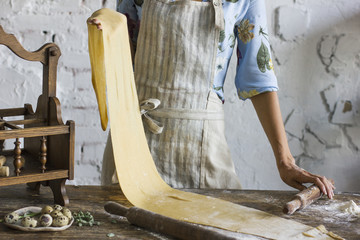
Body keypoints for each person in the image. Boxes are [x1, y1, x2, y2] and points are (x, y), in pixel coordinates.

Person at [88, 0, 335, 198]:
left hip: (202, 150)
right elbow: (126, 65)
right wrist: (107, 36)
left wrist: (286, 162)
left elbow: (258, 79)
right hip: (134, 146)